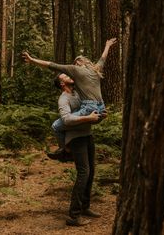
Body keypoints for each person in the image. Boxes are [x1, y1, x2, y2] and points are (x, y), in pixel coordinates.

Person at [22, 38, 116, 153]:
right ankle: (76, 145)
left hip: (89, 109)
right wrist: (107, 45)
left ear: (78, 63)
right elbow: (103, 58)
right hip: (101, 110)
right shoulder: (96, 70)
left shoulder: (75, 70)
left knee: (56, 126)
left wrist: (32, 60)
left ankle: (65, 151)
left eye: (75, 63)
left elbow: (52, 65)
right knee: (77, 124)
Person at [52, 72, 105, 227]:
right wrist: (88, 118)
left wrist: (100, 117)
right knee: (84, 173)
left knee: (91, 172)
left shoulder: (78, 94)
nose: (69, 75)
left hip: (87, 135)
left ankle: (85, 207)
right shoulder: (64, 99)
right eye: (65, 75)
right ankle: (74, 216)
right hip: (76, 139)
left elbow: (90, 112)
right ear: (62, 83)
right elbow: (66, 119)